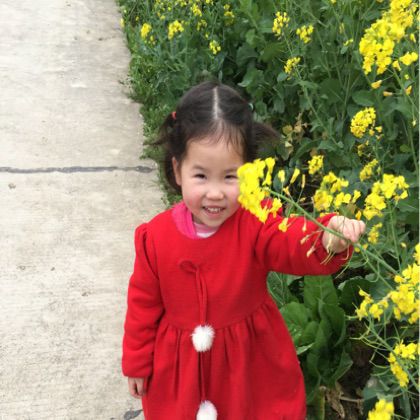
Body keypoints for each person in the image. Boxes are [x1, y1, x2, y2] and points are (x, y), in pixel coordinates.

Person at [122, 81, 365, 420]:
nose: (216, 193)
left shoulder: (255, 222)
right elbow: (143, 305)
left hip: (248, 365)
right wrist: (137, 362)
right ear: (177, 170)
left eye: (230, 177)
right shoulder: (156, 238)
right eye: (201, 176)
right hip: (180, 370)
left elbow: (287, 239)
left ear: (250, 173)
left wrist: (325, 237)